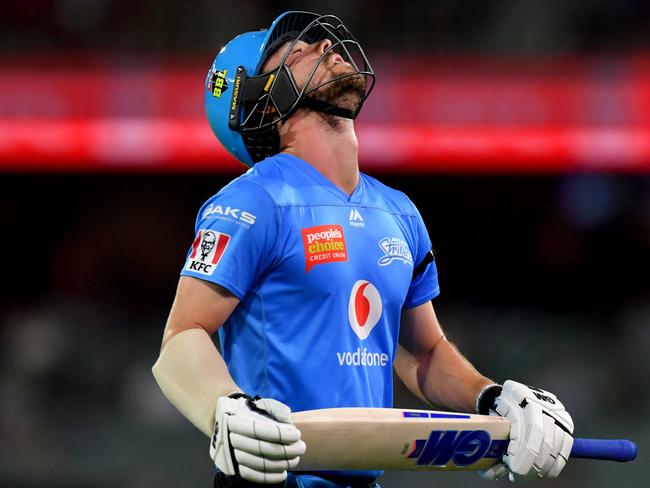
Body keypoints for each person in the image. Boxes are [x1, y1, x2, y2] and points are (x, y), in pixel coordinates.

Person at [152, 11, 574, 488]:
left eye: (321, 42)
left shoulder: (398, 211)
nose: (327, 46)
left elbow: (425, 353)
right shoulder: (253, 201)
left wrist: (493, 399)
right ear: (263, 103)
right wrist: (222, 409)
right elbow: (181, 336)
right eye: (300, 50)